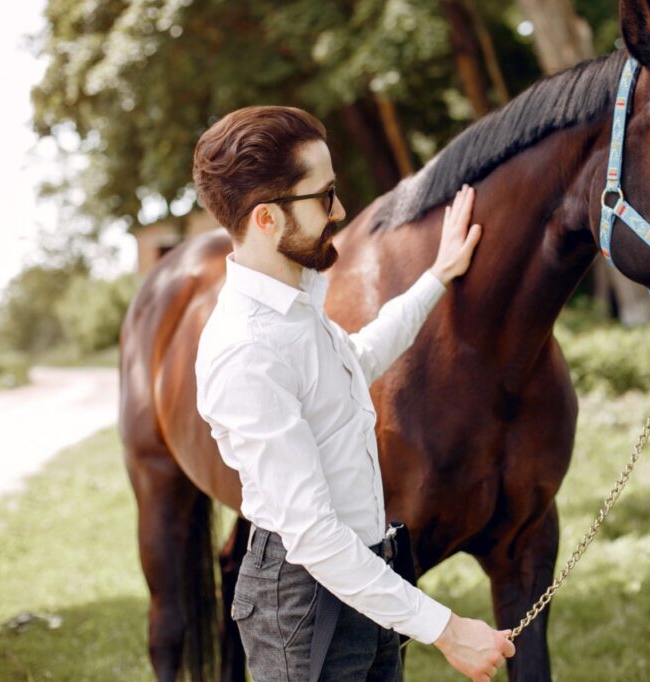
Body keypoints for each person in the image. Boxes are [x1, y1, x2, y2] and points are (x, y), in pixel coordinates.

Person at [193, 105, 515, 682]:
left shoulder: (295, 306)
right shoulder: (248, 349)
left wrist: (436, 277)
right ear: (267, 219)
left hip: (363, 577)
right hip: (303, 602)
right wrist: (446, 629)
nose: (339, 211)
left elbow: (357, 359)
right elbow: (314, 535)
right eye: (324, 195)